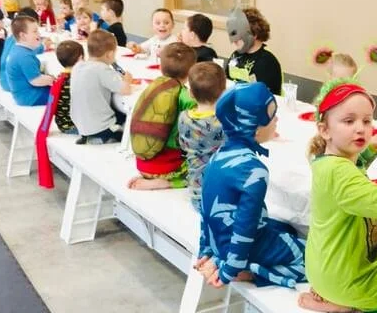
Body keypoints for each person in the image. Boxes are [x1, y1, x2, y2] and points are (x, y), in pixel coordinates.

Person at [299, 79, 377, 313]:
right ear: (324, 130)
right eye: (349, 121)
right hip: (345, 279)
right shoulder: (341, 172)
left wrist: (367, 150)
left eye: (367, 121)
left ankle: (336, 297)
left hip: (322, 268)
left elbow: (350, 176)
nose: (361, 128)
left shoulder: (325, 161)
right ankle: (345, 304)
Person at [194, 82, 306, 288]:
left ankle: (238, 263)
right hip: (243, 249)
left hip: (220, 243)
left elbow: (206, 208)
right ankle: (253, 273)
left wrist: (207, 249)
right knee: (313, 258)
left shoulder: (218, 156)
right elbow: (245, 226)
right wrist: (229, 271)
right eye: (271, 116)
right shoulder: (254, 171)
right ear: (253, 129)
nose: (276, 120)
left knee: (287, 228)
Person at [127, 43, 197, 189]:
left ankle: (148, 176)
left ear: (160, 67)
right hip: (167, 168)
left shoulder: (153, 87)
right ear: (190, 73)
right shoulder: (185, 96)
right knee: (202, 172)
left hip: (142, 163)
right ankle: (166, 183)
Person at [70, 30, 133, 144]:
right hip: (100, 126)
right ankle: (103, 137)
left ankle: (88, 136)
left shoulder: (78, 66)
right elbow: (126, 90)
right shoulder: (102, 69)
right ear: (109, 54)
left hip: (80, 124)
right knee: (127, 124)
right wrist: (127, 80)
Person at [36, 40, 84, 189]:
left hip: (62, 123)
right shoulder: (76, 80)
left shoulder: (61, 77)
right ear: (81, 58)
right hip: (71, 126)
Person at [178, 62, 226, 212]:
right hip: (223, 197)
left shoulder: (184, 118)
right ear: (224, 91)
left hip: (197, 194)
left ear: (191, 93)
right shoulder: (224, 122)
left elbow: (183, 145)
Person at [222, 7, 282, 95]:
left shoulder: (267, 63)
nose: (234, 40)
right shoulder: (235, 55)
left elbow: (264, 98)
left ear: (254, 34)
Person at [6, 15, 54, 106]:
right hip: (31, 96)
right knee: (64, 95)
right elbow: (36, 81)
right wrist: (54, 79)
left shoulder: (19, 49)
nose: (39, 34)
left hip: (24, 94)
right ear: (23, 36)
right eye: (35, 31)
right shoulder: (24, 56)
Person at [0, 7, 46, 92]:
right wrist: (43, 46)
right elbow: (29, 50)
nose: (38, 33)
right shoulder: (21, 46)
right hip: (12, 84)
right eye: (35, 30)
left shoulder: (11, 37)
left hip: (3, 78)